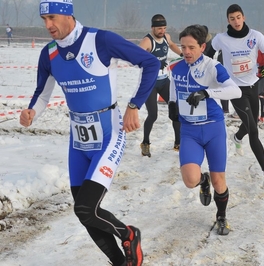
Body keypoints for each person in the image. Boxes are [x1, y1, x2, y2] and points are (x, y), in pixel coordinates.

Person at [19, 1, 159, 265]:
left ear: (67, 14)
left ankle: (129, 234)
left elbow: (150, 63)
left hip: (108, 133)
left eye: (52, 18)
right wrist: (31, 113)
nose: (48, 25)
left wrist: (134, 105)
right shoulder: (49, 53)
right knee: (85, 213)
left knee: (86, 208)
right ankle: (121, 261)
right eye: (43, 20)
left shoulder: (100, 40)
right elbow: (41, 94)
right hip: (78, 140)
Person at [168, 25, 241, 235]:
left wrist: (206, 93)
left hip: (213, 129)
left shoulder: (212, 67)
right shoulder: (177, 67)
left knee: (220, 182)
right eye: (183, 47)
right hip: (190, 131)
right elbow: (174, 85)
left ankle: (221, 216)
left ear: (202, 47)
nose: (186, 52)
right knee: (190, 180)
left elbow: (234, 91)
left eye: (191, 47)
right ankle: (203, 180)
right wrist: (173, 104)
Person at [205, 4, 264, 187]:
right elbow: (207, 56)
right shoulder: (221, 39)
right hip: (235, 89)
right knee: (253, 130)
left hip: (253, 86)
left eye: (238, 17)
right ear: (227, 20)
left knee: (253, 122)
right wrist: (214, 74)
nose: (236, 21)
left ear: (243, 17)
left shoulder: (256, 36)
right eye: (232, 18)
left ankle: (237, 137)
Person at [138, 14, 182, 157]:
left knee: (176, 110)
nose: (162, 31)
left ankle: (178, 143)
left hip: (164, 81)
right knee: (153, 115)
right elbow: (137, 59)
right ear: (152, 28)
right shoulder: (147, 41)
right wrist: (154, 62)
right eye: (159, 28)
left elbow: (172, 45)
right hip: (150, 83)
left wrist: (183, 53)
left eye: (164, 28)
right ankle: (145, 143)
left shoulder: (166, 37)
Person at [257, 50, 264, 123]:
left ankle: (262, 117)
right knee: (258, 98)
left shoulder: (261, 50)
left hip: (261, 75)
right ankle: (258, 116)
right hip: (259, 74)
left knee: (261, 97)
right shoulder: (262, 50)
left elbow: (261, 61)